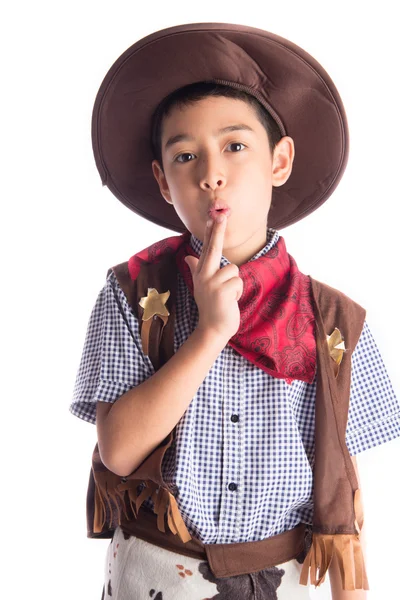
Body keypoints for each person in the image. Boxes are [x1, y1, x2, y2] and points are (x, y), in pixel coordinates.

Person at [70, 23, 399, 600]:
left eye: (235, 146)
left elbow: (343, 483)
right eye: (185, 155)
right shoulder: (133, 295)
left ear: (281, 160)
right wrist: (210, 333)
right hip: (157, 574)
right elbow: (118, 451)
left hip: (287, 575)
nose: (210, 172)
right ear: (163, 182)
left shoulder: (332, 321)